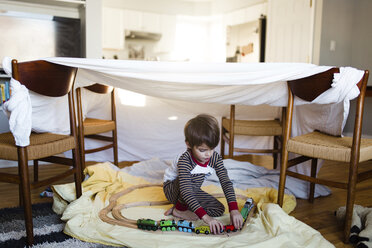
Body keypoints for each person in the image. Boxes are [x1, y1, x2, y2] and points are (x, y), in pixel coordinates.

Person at [163, 114, 243, 234]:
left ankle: (183, 207)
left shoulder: (214, 157)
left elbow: (225, 182)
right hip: (173, 189)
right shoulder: (185, 160)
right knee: (195, 178)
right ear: (189, 144)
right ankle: (179, 210)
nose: (208, 155)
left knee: (218, 209)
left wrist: (234, 209)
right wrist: (207, 218)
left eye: (212, 149)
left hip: (191, 189)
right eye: (202, 150)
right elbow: (186, 191)